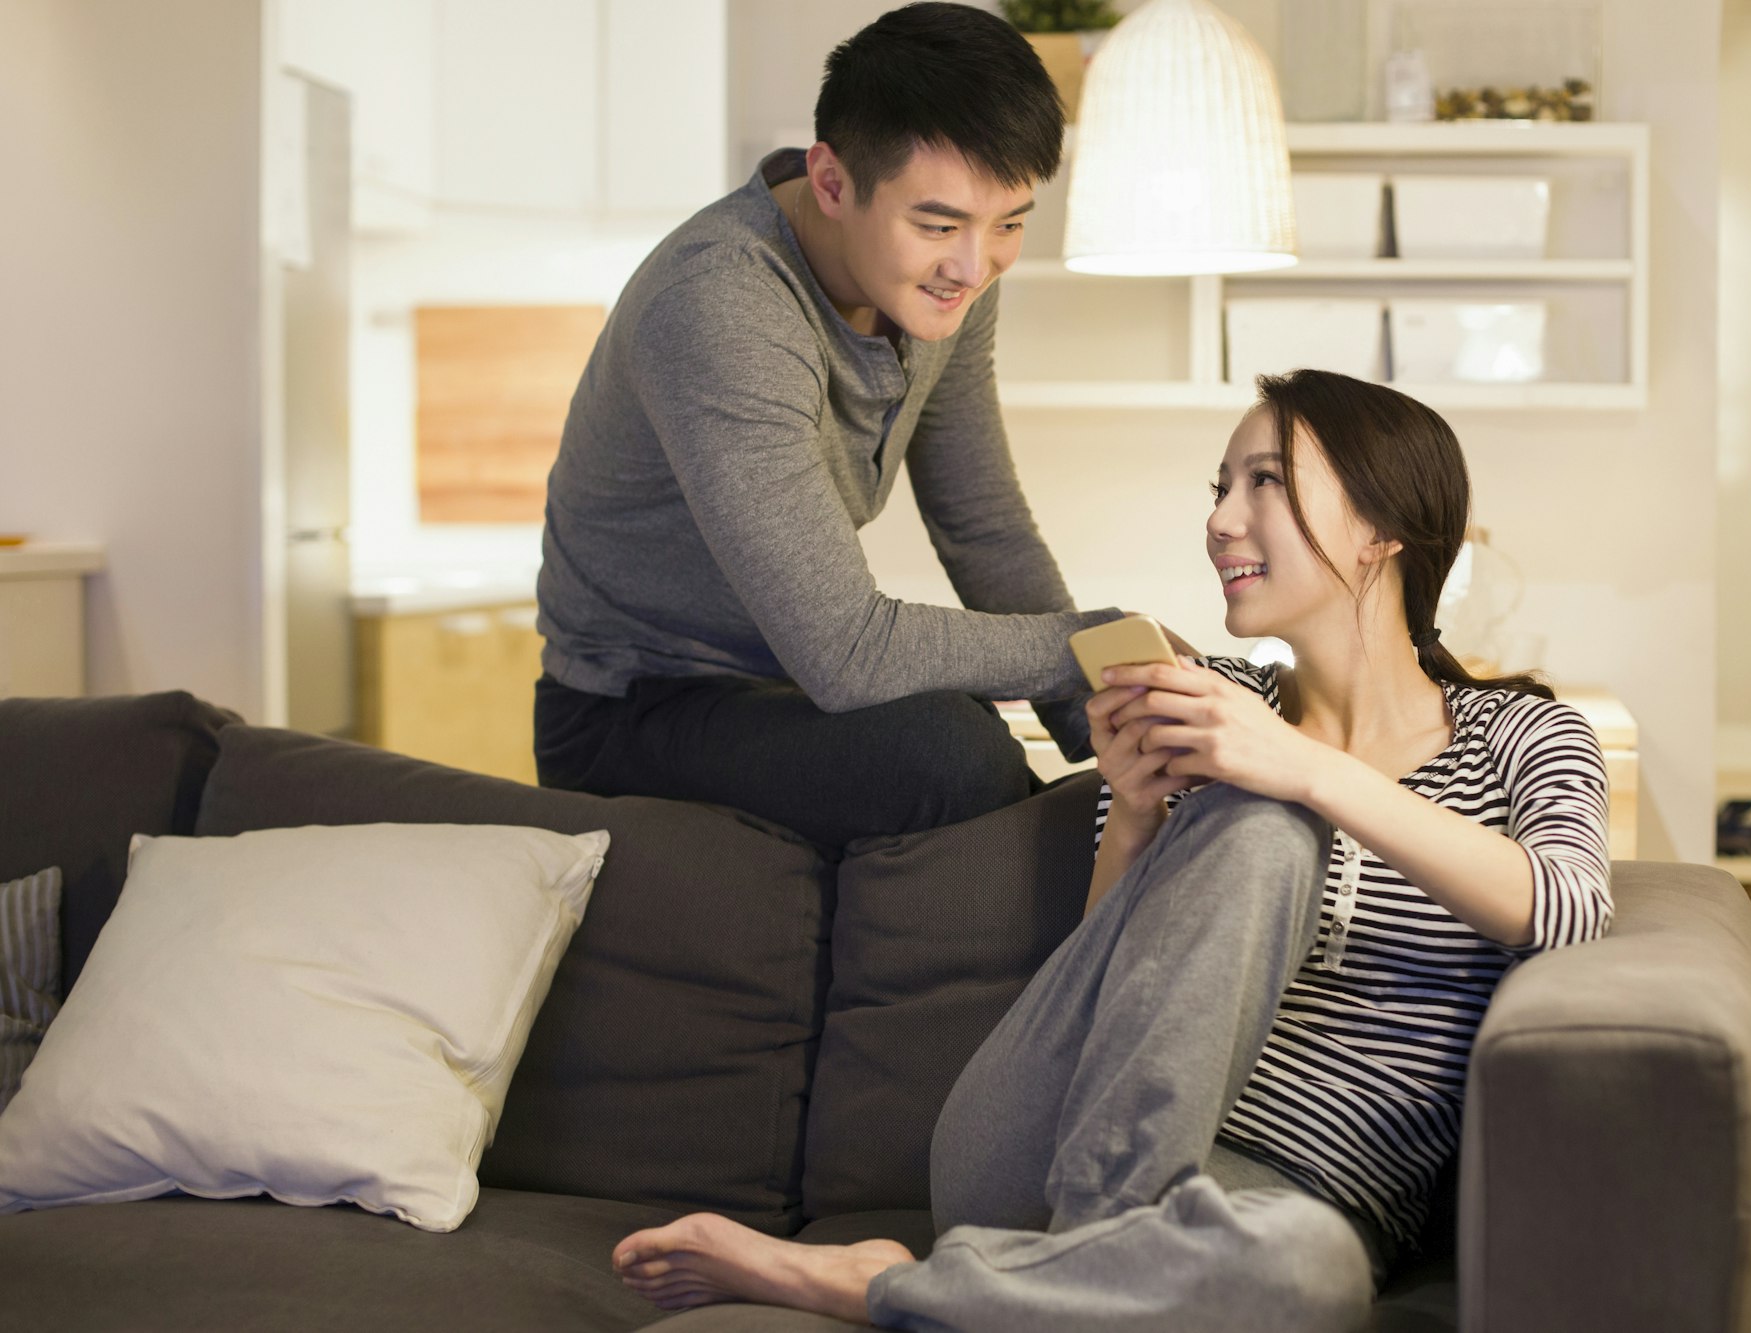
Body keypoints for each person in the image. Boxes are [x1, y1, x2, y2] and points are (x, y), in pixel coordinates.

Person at [604, 370, 1615, 1331]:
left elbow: (1562, 907)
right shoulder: (1209, 702)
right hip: (1046, 1144)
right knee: (1260, 824)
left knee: (1302, 1281)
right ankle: (1102, 1242)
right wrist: (1131, 813)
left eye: (1263, 482)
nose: (1220, 519)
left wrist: (1306, 769)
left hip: (1288, 1197)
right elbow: (1110, 983)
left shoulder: (1517, 735)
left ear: (1382, 528)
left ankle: (920, 1287)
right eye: (1220, 488)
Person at [533, 3, 1133, 849]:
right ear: (830, 183)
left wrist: (1104, 717)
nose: (973, 265)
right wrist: (1088, 641)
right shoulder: (720, 307)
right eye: (937, 224)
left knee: (966, 712)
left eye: (1010, 223)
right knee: (946, 750)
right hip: (632, 707)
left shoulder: (944, 285)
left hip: (784, 686)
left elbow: (982, 523)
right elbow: (847, 650)